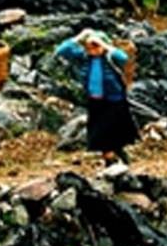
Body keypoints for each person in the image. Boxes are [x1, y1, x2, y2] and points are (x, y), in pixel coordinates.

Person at [56, 28, 139, 167]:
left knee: (111, 130)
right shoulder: (84, 57)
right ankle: (111, 158)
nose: (92, 51)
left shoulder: (110, 57)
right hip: (96, 100)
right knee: (102, 132)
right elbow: (61, 51)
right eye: (89, 48)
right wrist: (78, 37)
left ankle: (114, 156)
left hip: (114, 99)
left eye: (95, 47)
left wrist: (104, 45)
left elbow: (123, 58)